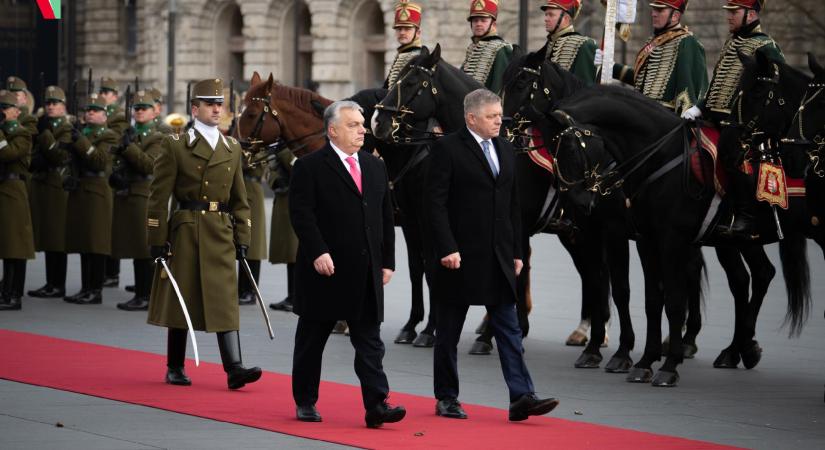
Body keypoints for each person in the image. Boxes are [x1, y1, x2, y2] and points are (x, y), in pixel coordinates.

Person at [427, 89, 559, 421]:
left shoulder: (505, 148)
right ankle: (446, 397)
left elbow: (512, 205)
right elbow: (435, 204)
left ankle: (521, 396)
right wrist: (446, 247)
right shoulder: (447, 148)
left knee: (510, 330)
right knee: (449, 333)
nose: (499, 120)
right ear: (471, 118)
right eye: (492, 116)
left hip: (499, 256)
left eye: (500, 114)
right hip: (457, 257)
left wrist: (517, 251)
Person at [288, 100, 405, 428]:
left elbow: (385, 216)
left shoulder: (374, 166)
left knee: (370, 341)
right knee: (312, 340)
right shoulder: (309, 167)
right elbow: (301, 215)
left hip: (366, 269)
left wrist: (388, 261)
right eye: (353, 125)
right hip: (324, 270)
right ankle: (306, 400)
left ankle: (377, 404)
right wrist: (317, 251)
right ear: (332, 130)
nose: (362, 130)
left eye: (362, 124)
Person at [146, 78, 262, 389]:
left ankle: (234, 368)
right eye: (209, 104)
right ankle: (174, 365)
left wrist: (243, 237)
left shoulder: (232, 147)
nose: (216, 109)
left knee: (225, 298)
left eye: (219, 104)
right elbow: (158, 197)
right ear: (194, 109)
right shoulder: (175, 145)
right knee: (182, 297)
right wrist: (157, 240)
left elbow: (240, 199)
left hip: (221, 229)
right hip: (187, 226)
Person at [694, 0, 783, 238]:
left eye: (735, 12)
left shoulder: (766, 46)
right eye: (729, 12)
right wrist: (698, 108)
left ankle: (746, 215)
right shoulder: (731, 43)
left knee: (730, 150)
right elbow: (716, 87)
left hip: (744, 125)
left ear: (751, 14)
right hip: (715, 119)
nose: (729, 16)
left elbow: (775, 92)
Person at [598, 0, 708, 116]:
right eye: (654, 9)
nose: (653, 14)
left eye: (660, 10)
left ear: (675, 16)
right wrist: (611, 67)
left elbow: (688, 90)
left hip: (664, 118)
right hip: (643, 111)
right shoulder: (655, 40)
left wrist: (684, 117)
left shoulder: (686, 43)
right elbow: (641, 81)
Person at [61, 93, 116, 305]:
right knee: (84, 243)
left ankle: (96, 290)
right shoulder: (81, 133)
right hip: (80, 189)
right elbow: (69, 160)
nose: (90, 113)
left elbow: (99, 161)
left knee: (96, 244)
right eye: (88, 110)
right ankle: (85, 288)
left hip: (97, 192)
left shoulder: (108, 135)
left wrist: (80, 140)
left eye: (95, 110)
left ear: (104, 116)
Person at [113, 91, 164, 311]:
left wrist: (128, 147)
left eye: (144, 107)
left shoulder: (158, 136)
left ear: (155, 112)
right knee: (135, 246)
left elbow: (149, 164)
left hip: (145, 195)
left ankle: (147, 295)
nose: (140, 111)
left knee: (145, 247)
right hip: (128, 193)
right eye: (137, 108)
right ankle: (141, 292)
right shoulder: (131, 133)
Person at [27, 86, 72, 299]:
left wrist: (44, 134)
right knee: (47, 236)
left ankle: (58, 284)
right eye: (48, 104)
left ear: (64, 106)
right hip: (43, 185)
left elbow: (58, 155)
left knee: (57, 239)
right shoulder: (43, 125)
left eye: (55, 103)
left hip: (56, 186)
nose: (51, 107)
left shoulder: (66, 127)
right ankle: (50, 281)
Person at [0, 90, 35, 311]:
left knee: (16, 245)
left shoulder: (22, 133)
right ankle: (6, 290)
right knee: (6, 244)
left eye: (5, 108)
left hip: (14, 190)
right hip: (3, 189)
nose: (2, 112)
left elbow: (7, 154)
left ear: (15, 111)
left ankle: (15, 295)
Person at [461, 0, 514, 94]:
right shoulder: (472, 48)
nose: (478, 24)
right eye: (475, 20)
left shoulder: (501, 49)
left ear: (493, 24)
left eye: (483, 20)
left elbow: (498, 87)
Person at [541, 0, 597, 85]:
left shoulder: (583, 45)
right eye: (546, 14)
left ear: (566, 18)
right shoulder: (548, 46)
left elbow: (585, 90)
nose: (546, 19)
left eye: (551, 15)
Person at [384, 1, 424, 88]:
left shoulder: (421, 56)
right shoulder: (401, 54)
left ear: (418, 32)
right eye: (399, 29)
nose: (402, 32)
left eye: (407, 29)